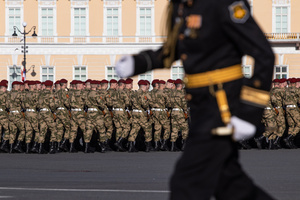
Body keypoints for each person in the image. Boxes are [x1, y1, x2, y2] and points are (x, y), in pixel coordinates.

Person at [115, 0, 275, 199]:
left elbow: (264, 54)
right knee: (230, 185)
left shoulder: (222, 4)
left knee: (186, 183)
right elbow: (172, 50)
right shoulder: (182, 6)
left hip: (223, 107)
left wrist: (249, 112)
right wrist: (138, 62)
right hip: (200, 107)